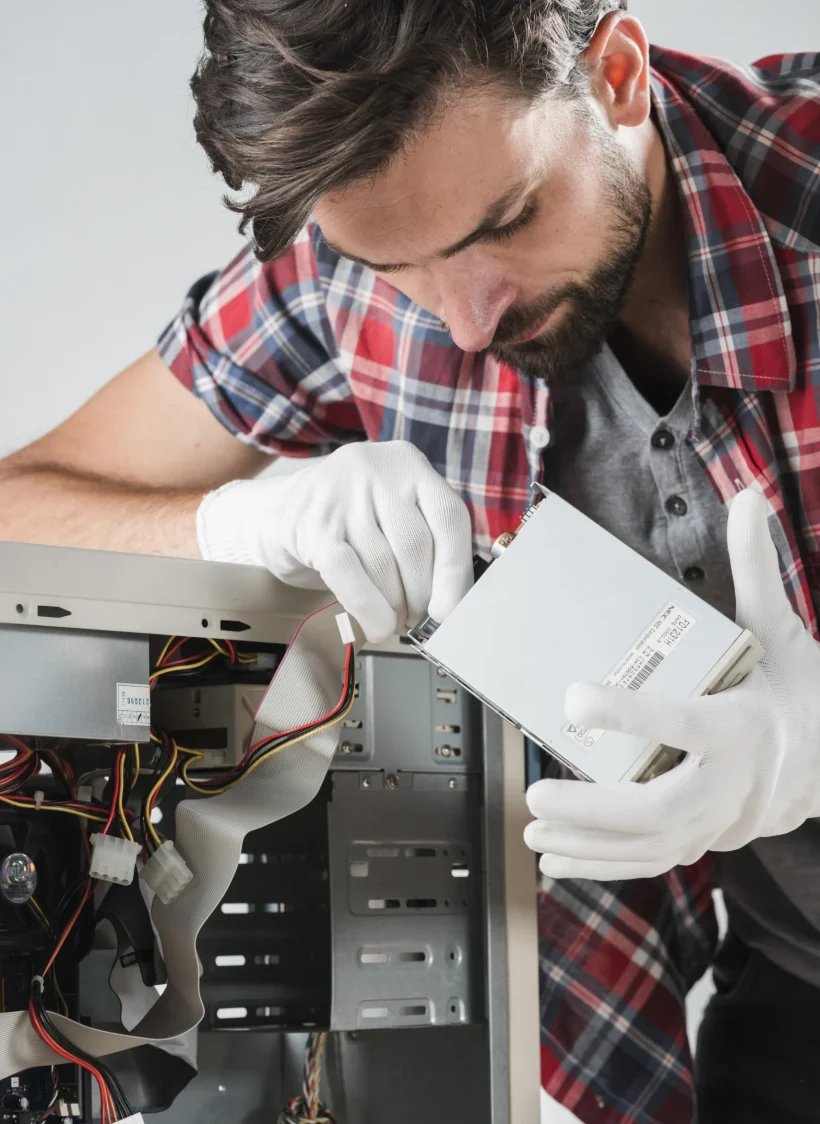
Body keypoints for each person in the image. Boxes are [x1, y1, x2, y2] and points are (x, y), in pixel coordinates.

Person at [1, 2, 818, 1120]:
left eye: (508, 220)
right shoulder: (341, 283)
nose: (468, 322)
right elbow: (16, 510)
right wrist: (228, 523)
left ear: (617, 73)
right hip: (792, 986)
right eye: (397, 266)